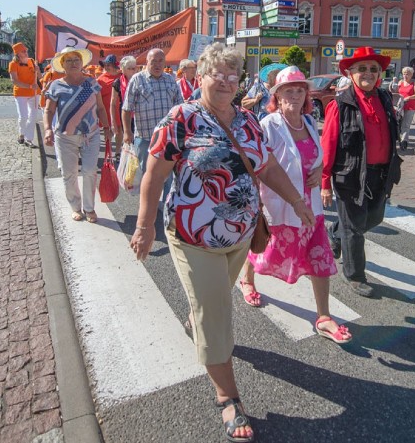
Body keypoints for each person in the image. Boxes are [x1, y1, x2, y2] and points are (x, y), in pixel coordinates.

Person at [130, 43, 314, 443]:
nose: (228, 82)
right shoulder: (181, 119)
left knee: (213, 303)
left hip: (240, 236)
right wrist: (144, 227)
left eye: (235, 76)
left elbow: (266, 167)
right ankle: (227, 397)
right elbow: (153, 176)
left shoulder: (248, 121)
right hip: (193, 235)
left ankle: (198, 320)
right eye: (220, 75)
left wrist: (297, 201)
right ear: (201, 79)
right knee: (217, 316)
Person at [240, 66, 351, 342]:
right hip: (281, 206)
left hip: (311, 208)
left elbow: (317, 153)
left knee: (320, 258)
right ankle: (247, 279)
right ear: (276, 95)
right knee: (265, 250)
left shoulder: (310, 122)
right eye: (288, 90)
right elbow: (259, 164)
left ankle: (324, 316)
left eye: (300, 89)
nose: (295, 94)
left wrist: (320, 167)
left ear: (306, 94)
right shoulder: (268, 124)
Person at [321, 46, 402, 298]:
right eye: (362, 68)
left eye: (373, 69)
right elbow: (329, 143)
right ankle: (355, 275)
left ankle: (335, 234)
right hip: (350, 175)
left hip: (381, 174)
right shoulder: (340, 104)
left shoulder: (385, 98)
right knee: (355, 228)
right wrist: (324, 182)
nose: (368, 73)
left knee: (374, 219)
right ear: (351, 73)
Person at [43, 47, 111, 224]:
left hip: (91, 134)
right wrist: (48, 129)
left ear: (82, 63)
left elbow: (101, 108)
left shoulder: (92, 83)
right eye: (69, 60)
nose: (73, 63)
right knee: (69, 173)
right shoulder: (56, 85)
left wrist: (107, 127)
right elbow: (49, 110)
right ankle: (75, 207)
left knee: (89, 171)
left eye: (76, 60)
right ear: (63, 65)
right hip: (65, 137)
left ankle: (89, 208)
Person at [121, 48, 183, 181]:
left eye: (161, 61)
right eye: (154, 61)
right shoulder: (137, 80)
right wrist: (127, 132)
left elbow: (180, 107)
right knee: (147, 174)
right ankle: (149, 202)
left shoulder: (170, 80)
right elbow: (126, 109)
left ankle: (165, 202)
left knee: (168, 176)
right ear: (147, 62)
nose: (158, 64)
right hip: (145, 138)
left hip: (167, 138)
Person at [8, 42, 40, 147]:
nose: (26, 52)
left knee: (33, 116)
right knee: (23, 117)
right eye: (23, 51)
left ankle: (29, 139)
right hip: (21, 93)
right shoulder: (13, 64)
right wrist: (30, 86)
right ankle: (21, 134)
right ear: (17, 54)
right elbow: (15, 81)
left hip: (34, 93)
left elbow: (40, 77)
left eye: (26, 50)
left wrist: (38, 71)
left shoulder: (32, 61)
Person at [110, 55, 139, 149]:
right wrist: (113, 122)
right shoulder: (117, 82)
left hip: (140, 113)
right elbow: (113, 104)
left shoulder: (141, 80)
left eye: (134, 68)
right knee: (130, 141)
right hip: (126, 114)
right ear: (123, 69)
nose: (132, 70)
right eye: (129, 68)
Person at [97, 55, 122, 158]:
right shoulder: (100, 79)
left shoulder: (122, 76)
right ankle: (108, 153)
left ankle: (117, 152)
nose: (106, 67)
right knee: (108, 132)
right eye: (105, 65)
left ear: (115, 65)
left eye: (109, 65)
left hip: (120, 109)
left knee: (119, 130)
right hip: (106, 110)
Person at [394, 67, 415, 149]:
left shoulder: (414, 82)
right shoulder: (400, 82)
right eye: (404, 73)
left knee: (406, 124)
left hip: (410, 106)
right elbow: (395, 92)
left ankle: (404, 141)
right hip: (400, 106)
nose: (405, 75)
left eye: (407, 74)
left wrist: (409, 97)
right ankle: (398, 139)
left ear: (411, 75)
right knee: (398, 123)